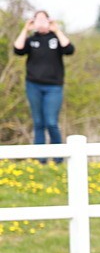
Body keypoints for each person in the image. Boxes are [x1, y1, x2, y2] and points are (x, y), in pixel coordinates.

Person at [13, 10, 74, 163]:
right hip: (33, 85)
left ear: (49, 20)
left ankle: (58, 159)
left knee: (51, 122)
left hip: (54, 86)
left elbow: (69, 49)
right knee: (38, 123)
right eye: (37, 19)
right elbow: (17, 49)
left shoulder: (56, 39)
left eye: (43, 19)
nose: (40, 22)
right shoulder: (31, 40)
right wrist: (25, 29)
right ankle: (41, 160)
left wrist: (56, 29)